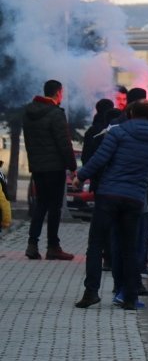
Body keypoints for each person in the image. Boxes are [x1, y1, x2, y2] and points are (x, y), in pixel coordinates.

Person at [73, 100, 148, 310]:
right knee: (129, 247)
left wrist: (81, 176)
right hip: (135, 198)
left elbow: (100, 158)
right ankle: (130, 296)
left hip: (109, 194)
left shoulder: (118, 132)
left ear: (130, 113)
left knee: (96, 244)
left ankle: (91, 292)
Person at [22, 79, 77, 260]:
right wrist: (72, 166)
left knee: (41, 204)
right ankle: (53, 246)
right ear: (58, 92)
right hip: (54, 167)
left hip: (37, 166)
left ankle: (32, 243)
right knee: (54, 207)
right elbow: (63, 142)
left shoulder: (29, 112)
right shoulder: (55, 113)